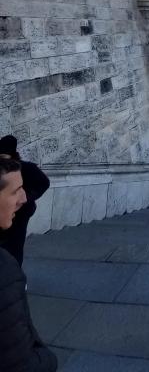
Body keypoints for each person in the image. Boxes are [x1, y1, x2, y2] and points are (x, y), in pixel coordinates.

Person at [0, 157, 57, 370]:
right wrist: (48, 358)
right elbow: (22, 363)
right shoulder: (4, 271)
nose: (23, 198)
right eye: (15, 191)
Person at [0, 135, 50, 266]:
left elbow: (44, 183)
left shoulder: (27, 168)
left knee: (14, 246)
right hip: (6, 213)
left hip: (20, 215)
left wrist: (26, 198)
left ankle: (14, 270)